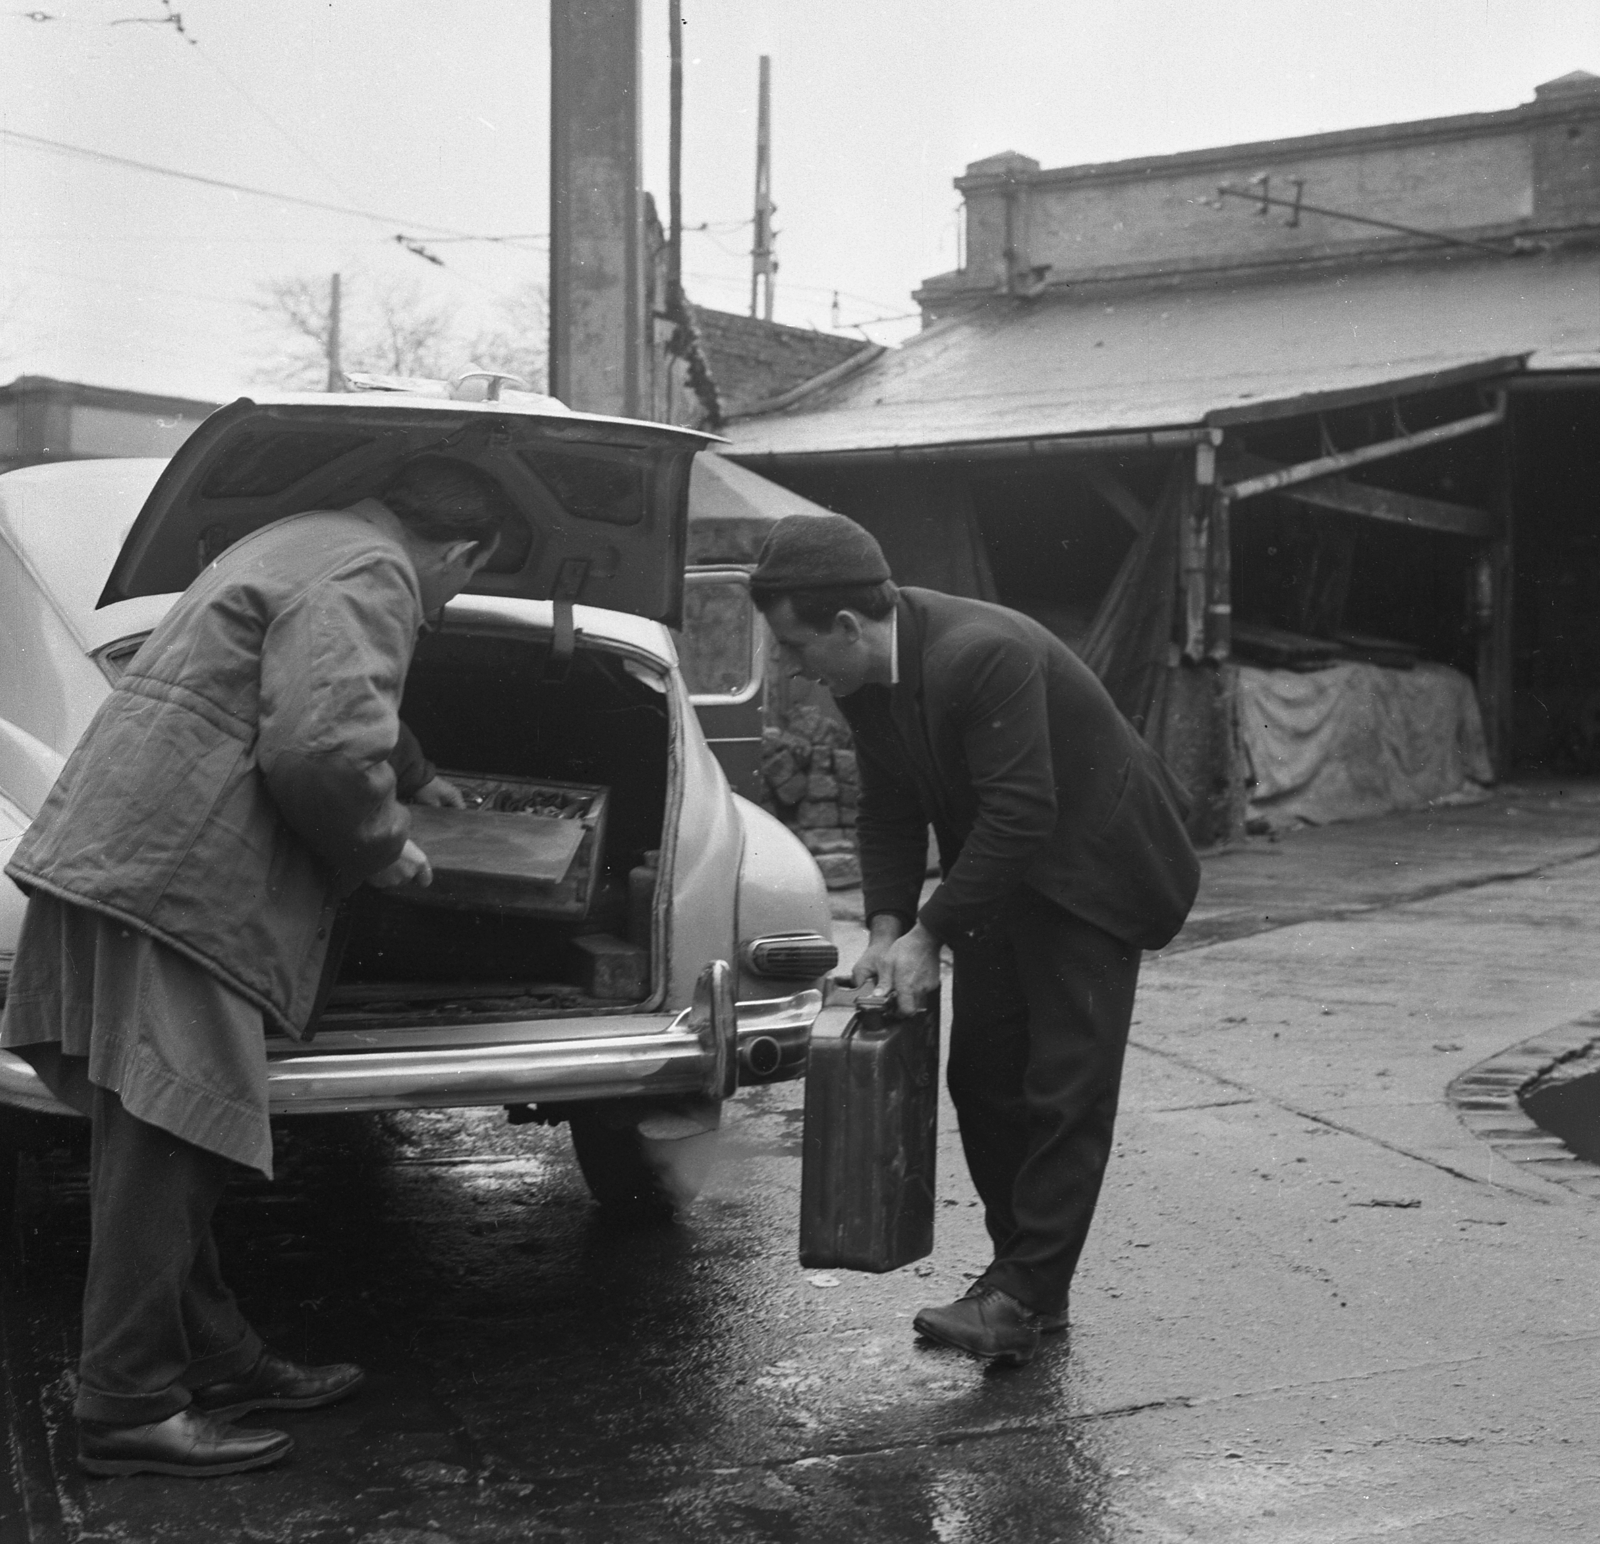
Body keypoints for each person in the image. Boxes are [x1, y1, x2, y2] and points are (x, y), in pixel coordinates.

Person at [0, 455, 508, 1476]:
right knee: (172, 1139)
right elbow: (319, 741)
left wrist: (416, 771)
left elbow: (302, 679)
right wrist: (381, 841)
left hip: (123, 863)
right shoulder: (374, 570)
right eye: (463, 582)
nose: (446, 606)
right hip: (177, 887)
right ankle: (128, 1403)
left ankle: (214, 1355)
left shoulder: (305, 537)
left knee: (155, 1140)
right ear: (454, 551)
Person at [751, 513, 1199, 1367]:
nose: (791, 669)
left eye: (793, 646)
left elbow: (1022, 811)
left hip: (1095, 871)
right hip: (1005, 871)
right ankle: (1025, 1285)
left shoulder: (978, 653)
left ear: (847, 627)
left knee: (1064, 1087)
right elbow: (889, 808)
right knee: (983, 1074)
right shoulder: (865, 680)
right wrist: (886, 928)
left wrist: (931, 932)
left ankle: (1021, 1296)